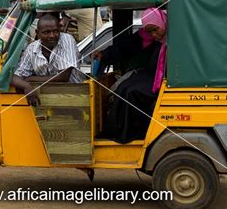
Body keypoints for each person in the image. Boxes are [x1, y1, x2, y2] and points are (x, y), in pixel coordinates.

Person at [93, 7, 167, 143]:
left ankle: (128, 134)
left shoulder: (175, 38)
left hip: (164, 80)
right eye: (150, 32)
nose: (154, 35)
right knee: (122, 88)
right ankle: (116, 131)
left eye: (155, 30)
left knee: (132, 92)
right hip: (150, 75)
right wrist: (104, 54)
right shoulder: (146, 37)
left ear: (162, 22)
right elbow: (124, 46)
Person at [10, 14, 83, 106]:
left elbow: (63, 77)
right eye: (46, 32)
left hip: (75, 96)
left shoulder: (67, 39)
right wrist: (27, 85)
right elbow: (14, 77)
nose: (52, 35)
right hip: (46, 101)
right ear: (37, 32)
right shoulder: (31, 48)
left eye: (55, 31)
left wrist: (30, 79)